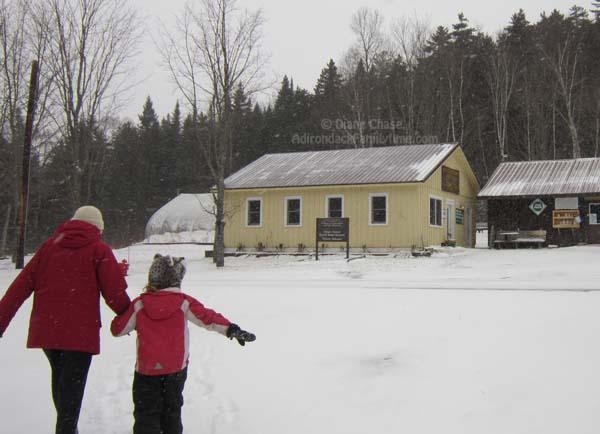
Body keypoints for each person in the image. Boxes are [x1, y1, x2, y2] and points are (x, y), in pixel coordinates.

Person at [0, 205, 131, 434]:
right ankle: (66, 429)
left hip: (48, 330)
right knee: (72, 386)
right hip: (80, 334)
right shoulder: (99, 250)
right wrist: (131, 317)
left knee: (62, 381)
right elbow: (115, 294)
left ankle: (66, 427)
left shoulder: (49, 248)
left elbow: (19, 287)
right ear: (98, 228)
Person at [111, 253, 255, 434]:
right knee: (172, 411)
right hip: (175, 370)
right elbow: (208, 318)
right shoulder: (183, 303)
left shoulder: (139, 305)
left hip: (146, 372)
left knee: (146, 414)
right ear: (176, 280)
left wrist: (122, 314)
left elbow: (117, 330)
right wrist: (231, 329)